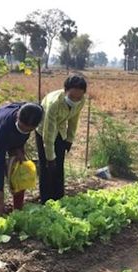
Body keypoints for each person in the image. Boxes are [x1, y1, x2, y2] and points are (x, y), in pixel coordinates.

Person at [0, 102, 44, 214]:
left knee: (20, 170)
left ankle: (18, 210)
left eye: (28, 130)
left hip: (14, 139)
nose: (24, 131)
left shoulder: (33, 112)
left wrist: (18, 148)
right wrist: (0, 198)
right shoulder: (6, 125)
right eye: (22, 127)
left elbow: (21, 135)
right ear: (18, 116)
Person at [36, 74, 87, 203]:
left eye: (78, 97)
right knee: (47, 166)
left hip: (60, 129)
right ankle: (46, 200)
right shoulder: (54, 103)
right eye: (72, 97)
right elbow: (48, 134)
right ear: (65, 91)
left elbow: (74, 119)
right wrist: (50, 157)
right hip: (44, 130)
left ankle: (58, 197)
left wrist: (69, 139)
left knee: (59, 166)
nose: (75, 100)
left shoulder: (81, 101)